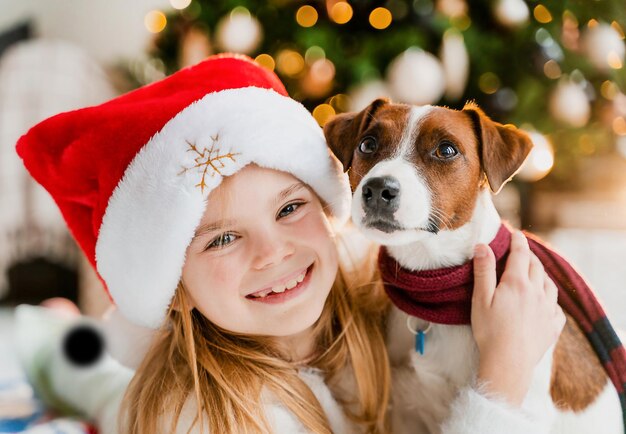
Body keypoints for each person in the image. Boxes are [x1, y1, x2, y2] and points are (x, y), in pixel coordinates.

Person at [15, 54, 564, 434]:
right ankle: (49, 335)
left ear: (327, 209)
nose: (272, 251)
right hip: (125, 400)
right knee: (84, 372)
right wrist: (501, 385)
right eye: (224, 238)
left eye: (289, 208)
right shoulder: (199, 419)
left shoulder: (363, 286)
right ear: (173, 288)